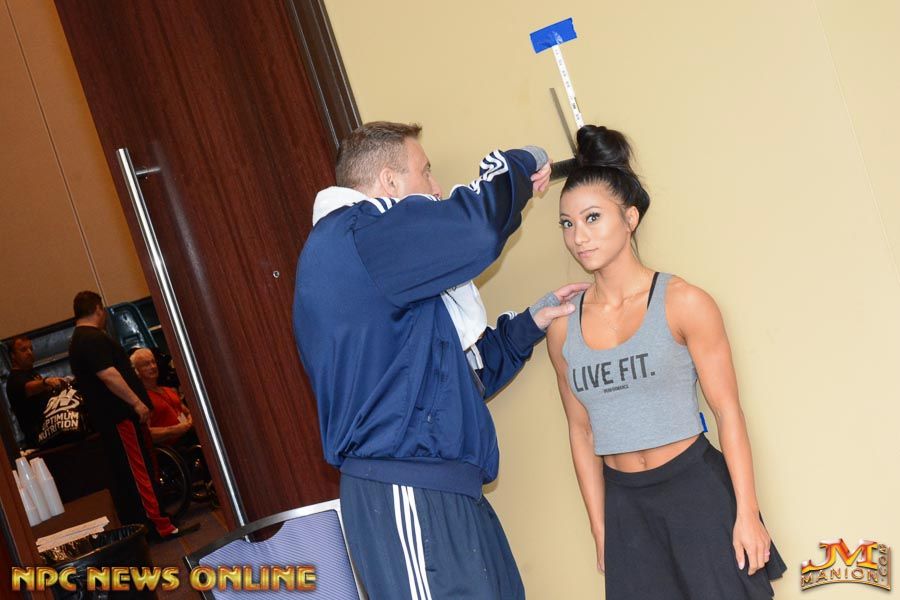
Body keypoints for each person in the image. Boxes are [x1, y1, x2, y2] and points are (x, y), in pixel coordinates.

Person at [293, 121, 585, 599]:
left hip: (445, 491)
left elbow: (451, 379)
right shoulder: (361, 237)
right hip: (407, 491)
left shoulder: (377, 260)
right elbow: (476, 229)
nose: (436, 187)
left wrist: (528, 325)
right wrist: (523, 160)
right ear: (389, 182)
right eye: (425, 172)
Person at [545, 125, 787, 599]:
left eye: (592, 218)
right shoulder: (562, 328)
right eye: (567, 224)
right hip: (625, 508)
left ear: (630, 218)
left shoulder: (684, 302)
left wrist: (748, 513)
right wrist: (601, 529)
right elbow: (581, 431)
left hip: (696, 492)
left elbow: (727, 412)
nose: (579, 237)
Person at [68, 291, 198, 541]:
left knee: (137, 471)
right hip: (119, 417)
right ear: (98, 309)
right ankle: (158, 525)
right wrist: (137, 403)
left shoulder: (79, 340)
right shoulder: (91, 338)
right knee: (139, 472)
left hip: (115, 418)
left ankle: (151, 523)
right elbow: (109, 375)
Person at [4, 336, 67, 448]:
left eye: (31, 349)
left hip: (53, 433)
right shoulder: (14, 380)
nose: (29, 353)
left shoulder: (32, 373)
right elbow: (29, 387)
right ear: (13, 355)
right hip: (40, 441)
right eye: (23, 350)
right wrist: (46, 382)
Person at [130, 348, 193, 444]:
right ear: (137, 371)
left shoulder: (169, 390)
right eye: (146, 364)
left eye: (153, 362)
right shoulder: (140, 400)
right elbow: (146, 434)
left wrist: (188, 423)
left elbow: (188, 412)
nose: (152, 366)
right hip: (172, 448)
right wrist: (174, 430)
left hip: (190, 438)